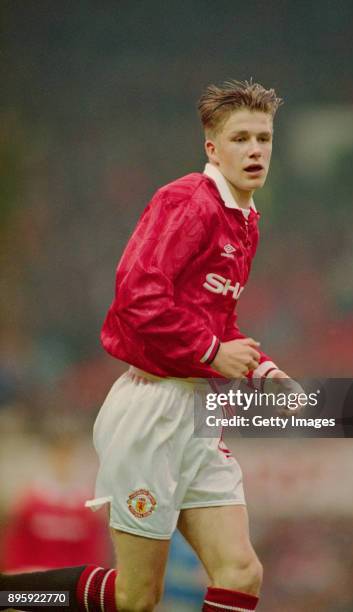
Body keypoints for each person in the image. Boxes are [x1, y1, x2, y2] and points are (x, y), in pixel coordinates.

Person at [0, 79, 289, 612]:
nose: (255, 150)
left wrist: (263, 369)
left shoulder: (246, 218)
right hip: (153, 410)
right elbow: (137, 297)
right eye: (241, 138)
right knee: (137, 597)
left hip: (199, 411)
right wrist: (209, 353)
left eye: (264, 138)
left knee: (242, 572)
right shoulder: (187, 201)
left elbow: (215, 316)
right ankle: (11, 592)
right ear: (212, 148)